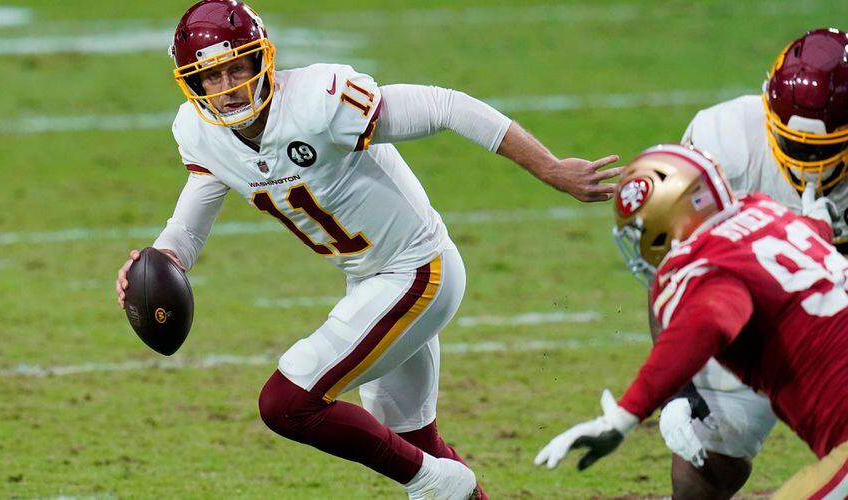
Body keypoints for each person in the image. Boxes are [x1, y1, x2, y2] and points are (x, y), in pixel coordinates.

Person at [114, 1, 620, 498]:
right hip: (371, 280)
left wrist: (550, 168)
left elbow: (448, 106)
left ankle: (434, 482)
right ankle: (441, 482)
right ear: (193, 82)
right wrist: (158, 263)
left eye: (236, 67)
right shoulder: (201, 134)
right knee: (411, 442)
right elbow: (189, 226)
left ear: (259, 58)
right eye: (212, 77)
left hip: (418, 271)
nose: (227, 88)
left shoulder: (319, 101)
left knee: (286, 402)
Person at [533, 144, 848, 499]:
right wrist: (820, 217)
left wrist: (619, 420)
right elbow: (812, 229)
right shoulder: (771, 217)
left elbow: (709, 323)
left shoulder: (706, 266)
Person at [645, 27, 848, 499]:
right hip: (755, 323)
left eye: (824, 150)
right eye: (796, 145)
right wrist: (680, 389)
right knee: (706, 450)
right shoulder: (724, 142)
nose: (809, 165)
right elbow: (676, 273)